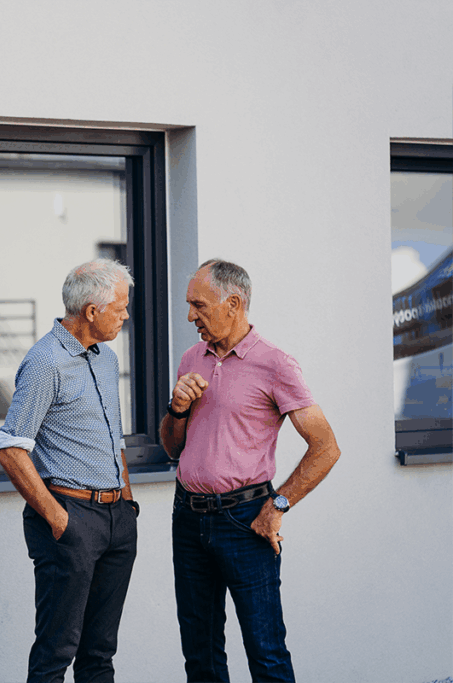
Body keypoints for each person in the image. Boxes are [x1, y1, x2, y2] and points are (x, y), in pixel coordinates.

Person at [160, 259, 341, 683]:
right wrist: (177, 408)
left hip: (245, 521)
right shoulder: (191, 358)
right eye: (189, 305)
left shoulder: (276, 364)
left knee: (266, 653)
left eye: (199, 305)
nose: (190, 316)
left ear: (233, 304)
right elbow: (171, 447)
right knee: (200, 657)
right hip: (188, 518)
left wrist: (278, 505)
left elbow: (326, 447)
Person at [0, 258, 139, 683]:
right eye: (120, 308)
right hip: (71, 519)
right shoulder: (45, 362)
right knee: (56, 651)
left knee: (100, 653)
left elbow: (113, 438)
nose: (126, 316)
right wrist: (59, 519)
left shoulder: (106, 359)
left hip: (115, 519)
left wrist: (127, 502)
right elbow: (11, 448)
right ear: (92, 311)